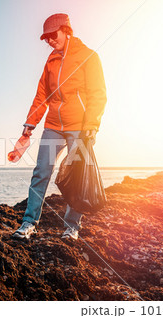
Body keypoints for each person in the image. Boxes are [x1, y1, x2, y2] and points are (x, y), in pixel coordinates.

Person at [12, 13, 107, 240]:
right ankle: (28, 223)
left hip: (79, 127)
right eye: (46, 38)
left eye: (53, 36)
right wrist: (30, 123)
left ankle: (72, 226)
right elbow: (42, 95)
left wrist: (91, 126)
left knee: (77, 176)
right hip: (53, 125)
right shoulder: (51, 61)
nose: (49, 41)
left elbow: (98, 95)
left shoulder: (88, 56)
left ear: (66, 31)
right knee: (41, 171)